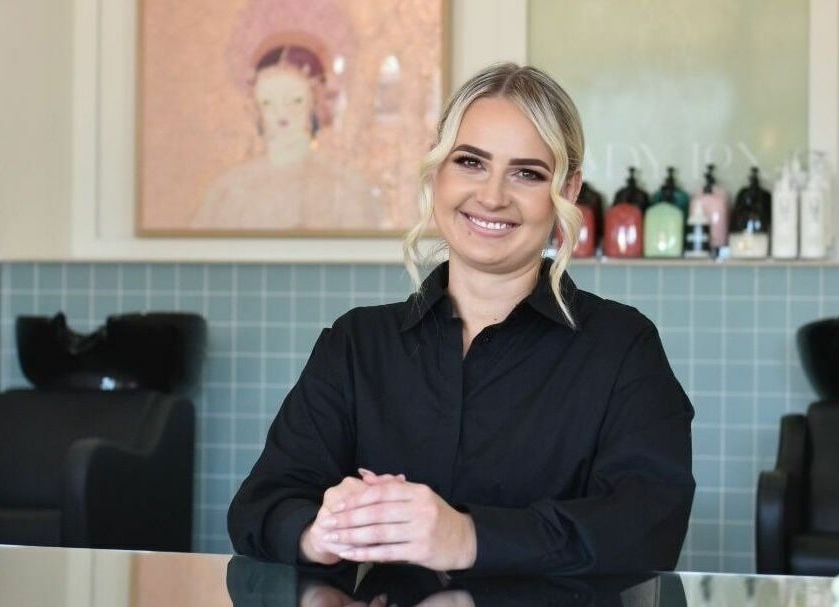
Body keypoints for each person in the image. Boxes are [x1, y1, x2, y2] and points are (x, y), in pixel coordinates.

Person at [227, 62, 695, 575]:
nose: (492, 196)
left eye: (527, 173)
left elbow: (649, 527)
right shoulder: (356, 344)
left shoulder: (621, 347)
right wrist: (322, 531)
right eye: (471, 162)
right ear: (437, 172)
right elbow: (260, 507)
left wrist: (469, 537)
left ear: (568, 191)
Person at [191, 42, 384, 232]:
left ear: (314, 104)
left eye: (295, 100)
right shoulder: (229, 190)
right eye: (268, 102)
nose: (282, 113)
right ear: (255, 110)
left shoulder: (346, 187)